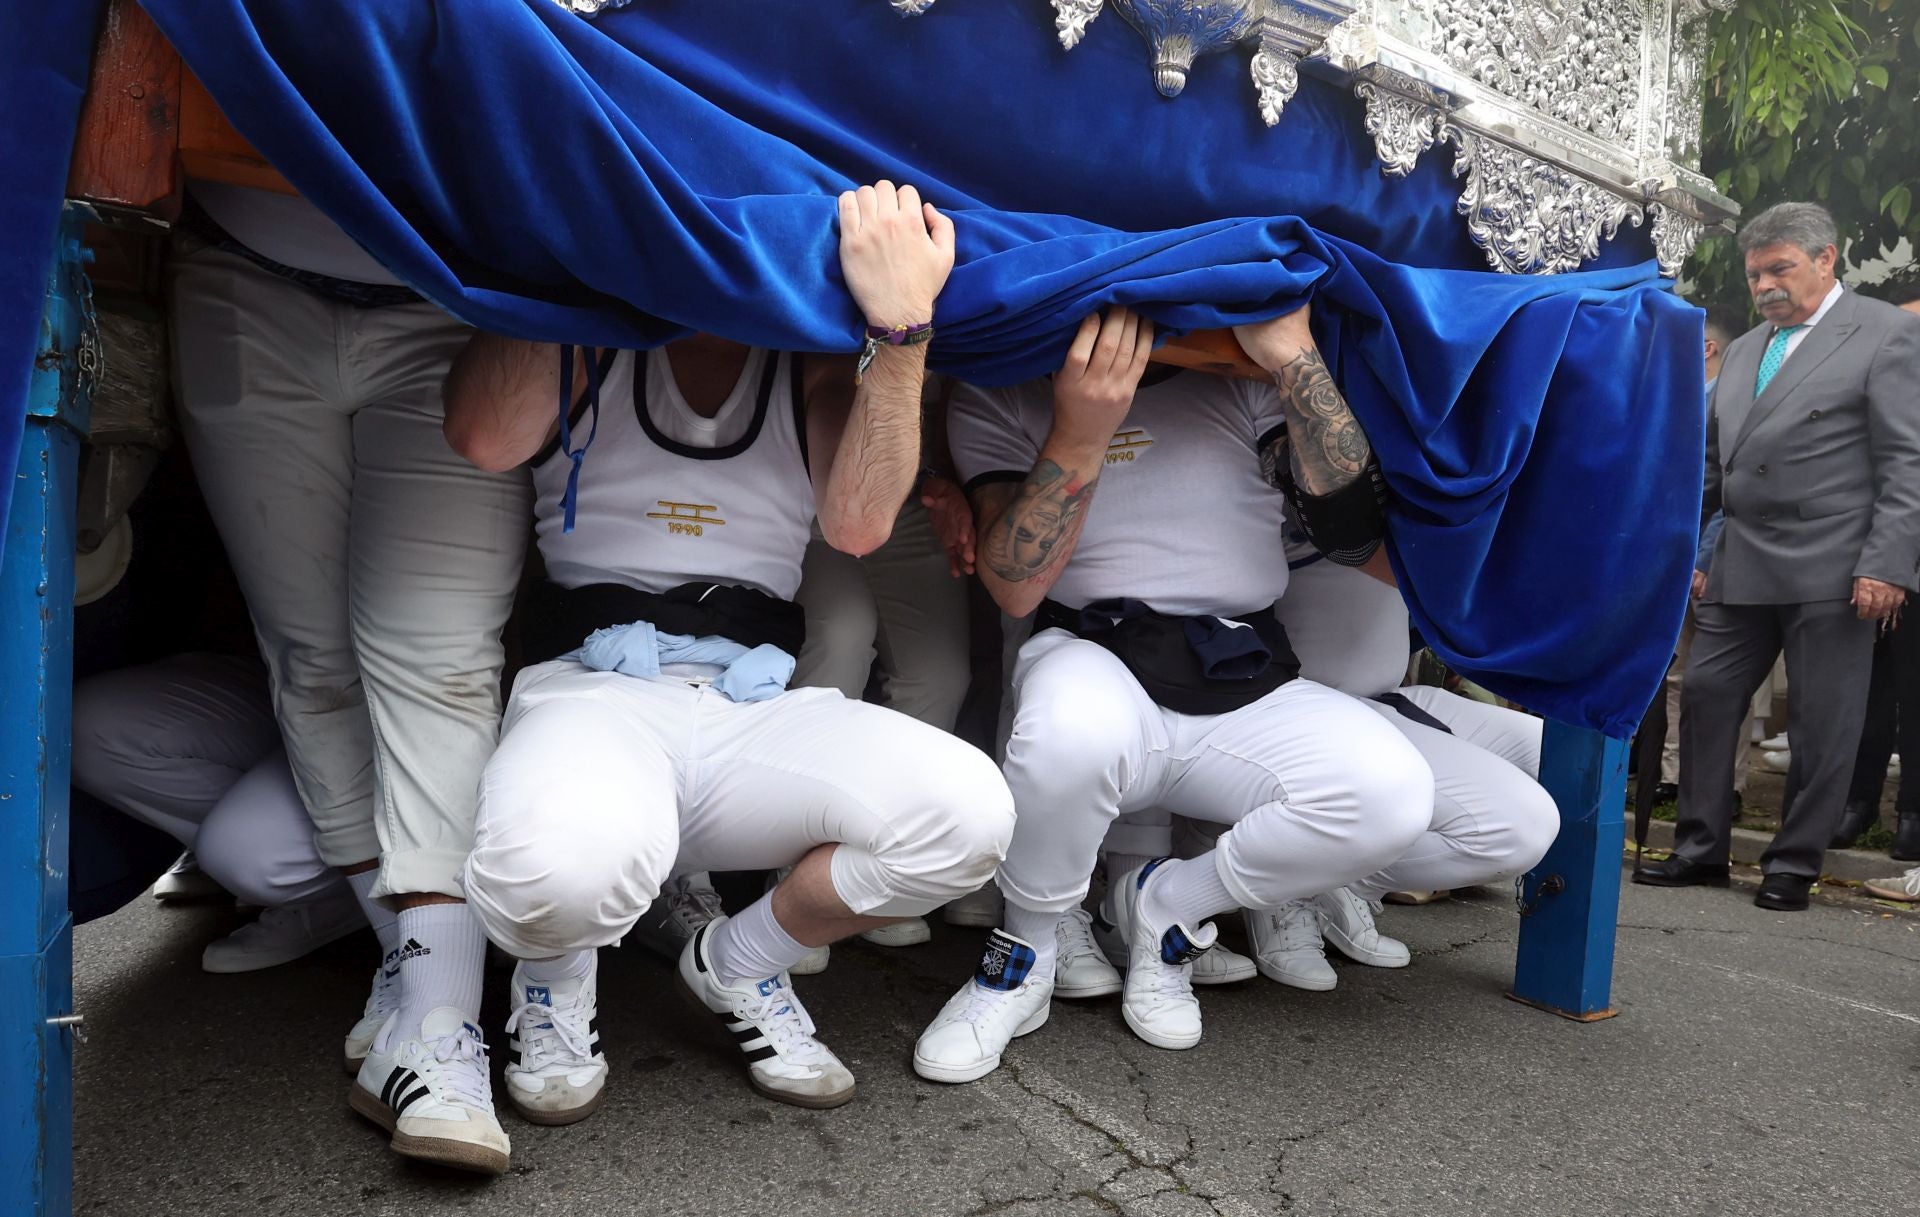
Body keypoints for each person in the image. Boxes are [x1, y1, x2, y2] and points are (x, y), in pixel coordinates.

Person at [440, 181, 1013, 1161]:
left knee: (969, 815)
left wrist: (902, 332)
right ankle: (554, 975)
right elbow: (485, 435)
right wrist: (564, 238)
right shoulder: (588, 336)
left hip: (748, 704)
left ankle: (739, 961)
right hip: (595, 694)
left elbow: (860, 523)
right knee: (558, 874)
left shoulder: (806, 366)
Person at [914, 302, 1435, 1082]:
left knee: (1392, 791)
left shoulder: (1242, 380)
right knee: (1066, 731)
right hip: (1096, 649)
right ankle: (1019, 958)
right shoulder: (1004, 389)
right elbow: (1015, 589)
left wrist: (1294, 357)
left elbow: (1356, 532)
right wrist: (1084, 427)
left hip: (1239, 660)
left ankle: (1168, 908)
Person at [167, 182, 530, 1172]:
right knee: (311, 654)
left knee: (441, 658)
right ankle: (415, 968)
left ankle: (445, 1033)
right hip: (244, 272)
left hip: (457, 290)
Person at [1636, 204, 1920, 911]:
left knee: (1824, 721)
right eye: (1755, 272)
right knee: (1704, 696)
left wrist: (1886, 562)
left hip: (1837, 561)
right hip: (1742, 557)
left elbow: (1906, 461)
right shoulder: (1743, 350)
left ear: (1827, 259)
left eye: (1780, 268)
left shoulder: (1886, 334)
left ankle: (1794, 862)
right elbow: (1710, 464)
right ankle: (1701, 847)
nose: (1764, 284)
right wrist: (1680, 545)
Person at [70, 654, 369, 979]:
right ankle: (245, 848)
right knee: (86, 725)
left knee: (248, 854)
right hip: (283, 661)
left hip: (392, 688)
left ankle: (364, 888)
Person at [1658, 305, 1751, 804]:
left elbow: (1722, 491)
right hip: (1679, 556)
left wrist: (1705, 559)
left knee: (1725, 678)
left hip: (1714, 561)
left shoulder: (1730, 403)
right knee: (1679, 673)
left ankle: (1726, 786)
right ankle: (1675, 775)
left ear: (1707, 347)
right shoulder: (1684, 401)